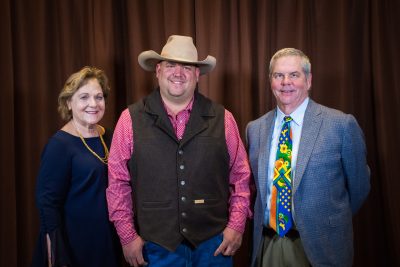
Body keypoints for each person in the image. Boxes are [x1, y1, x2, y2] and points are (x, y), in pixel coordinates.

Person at [106, 35, 252, 267]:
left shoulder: (224, 118)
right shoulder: (129, 119)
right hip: (154, 247)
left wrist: (236, 225)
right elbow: (117, 182)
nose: (178, 72)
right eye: (171, 65)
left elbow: (241, 176)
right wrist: (127, 236)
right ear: (158, 70)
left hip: (213, 246)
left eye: (187, 67)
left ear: (197, 74)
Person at [247, 48, 370, 267]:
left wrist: (325, 219)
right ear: (270, 81)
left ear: (309, 80)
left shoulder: (340, 125)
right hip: (270, 243)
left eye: (294, 75)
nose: (286, 82)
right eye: (278, 75)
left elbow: (359, 188)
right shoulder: (255, 129)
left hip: (322, 246)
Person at [31, 66, 121, 267]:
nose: (93, 104)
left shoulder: (109, 135)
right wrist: (57, 256)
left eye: (99, 97)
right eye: (84, 97)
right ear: (69, 103)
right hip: (75, 246)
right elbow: (48, 206)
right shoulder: (59, 145)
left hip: (106, 240)